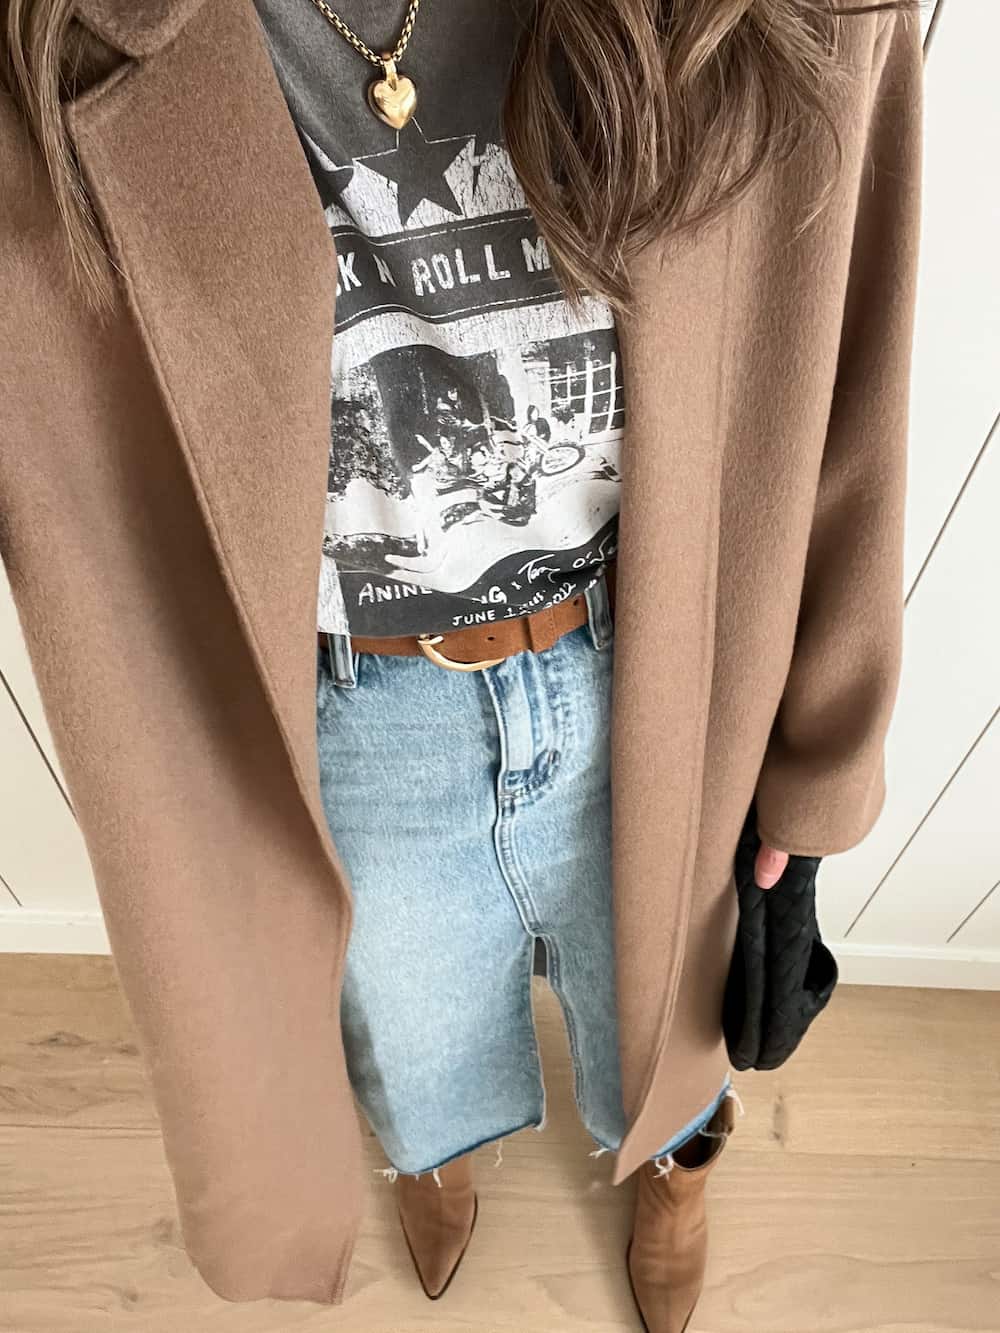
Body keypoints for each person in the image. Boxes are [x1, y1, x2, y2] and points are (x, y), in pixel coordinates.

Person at [0, 0, 923, 1327]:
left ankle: (673, 1170)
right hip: (355, 701)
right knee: (412, 1041)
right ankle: (442, 1150)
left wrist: (821, 774)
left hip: (661, 672)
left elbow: (851, 362)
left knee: (669, 1031)